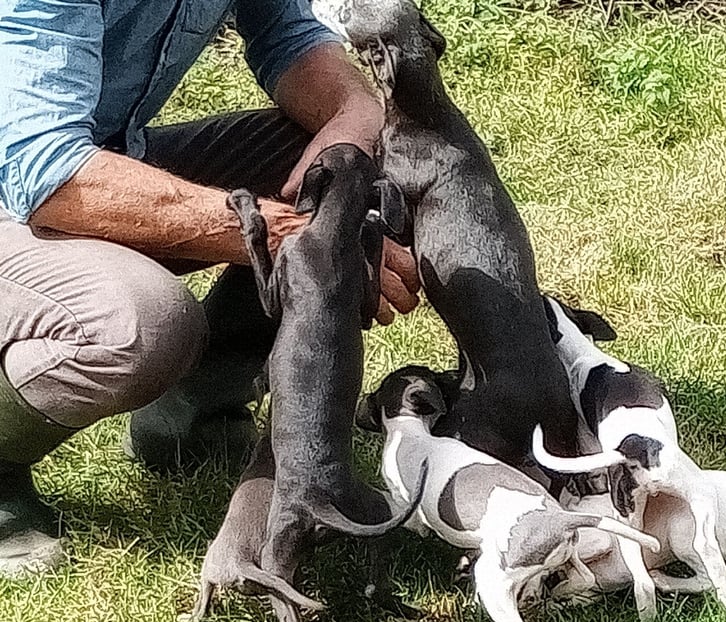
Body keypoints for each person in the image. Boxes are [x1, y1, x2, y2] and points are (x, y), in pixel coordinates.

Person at [0, 0, 421, 577]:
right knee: (138, 324)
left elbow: (283, 29)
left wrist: (355, 115)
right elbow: (45, 172)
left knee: (358, 169)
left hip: (89, 159)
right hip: (31, 182)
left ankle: (193, 415)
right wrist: (287, 238)